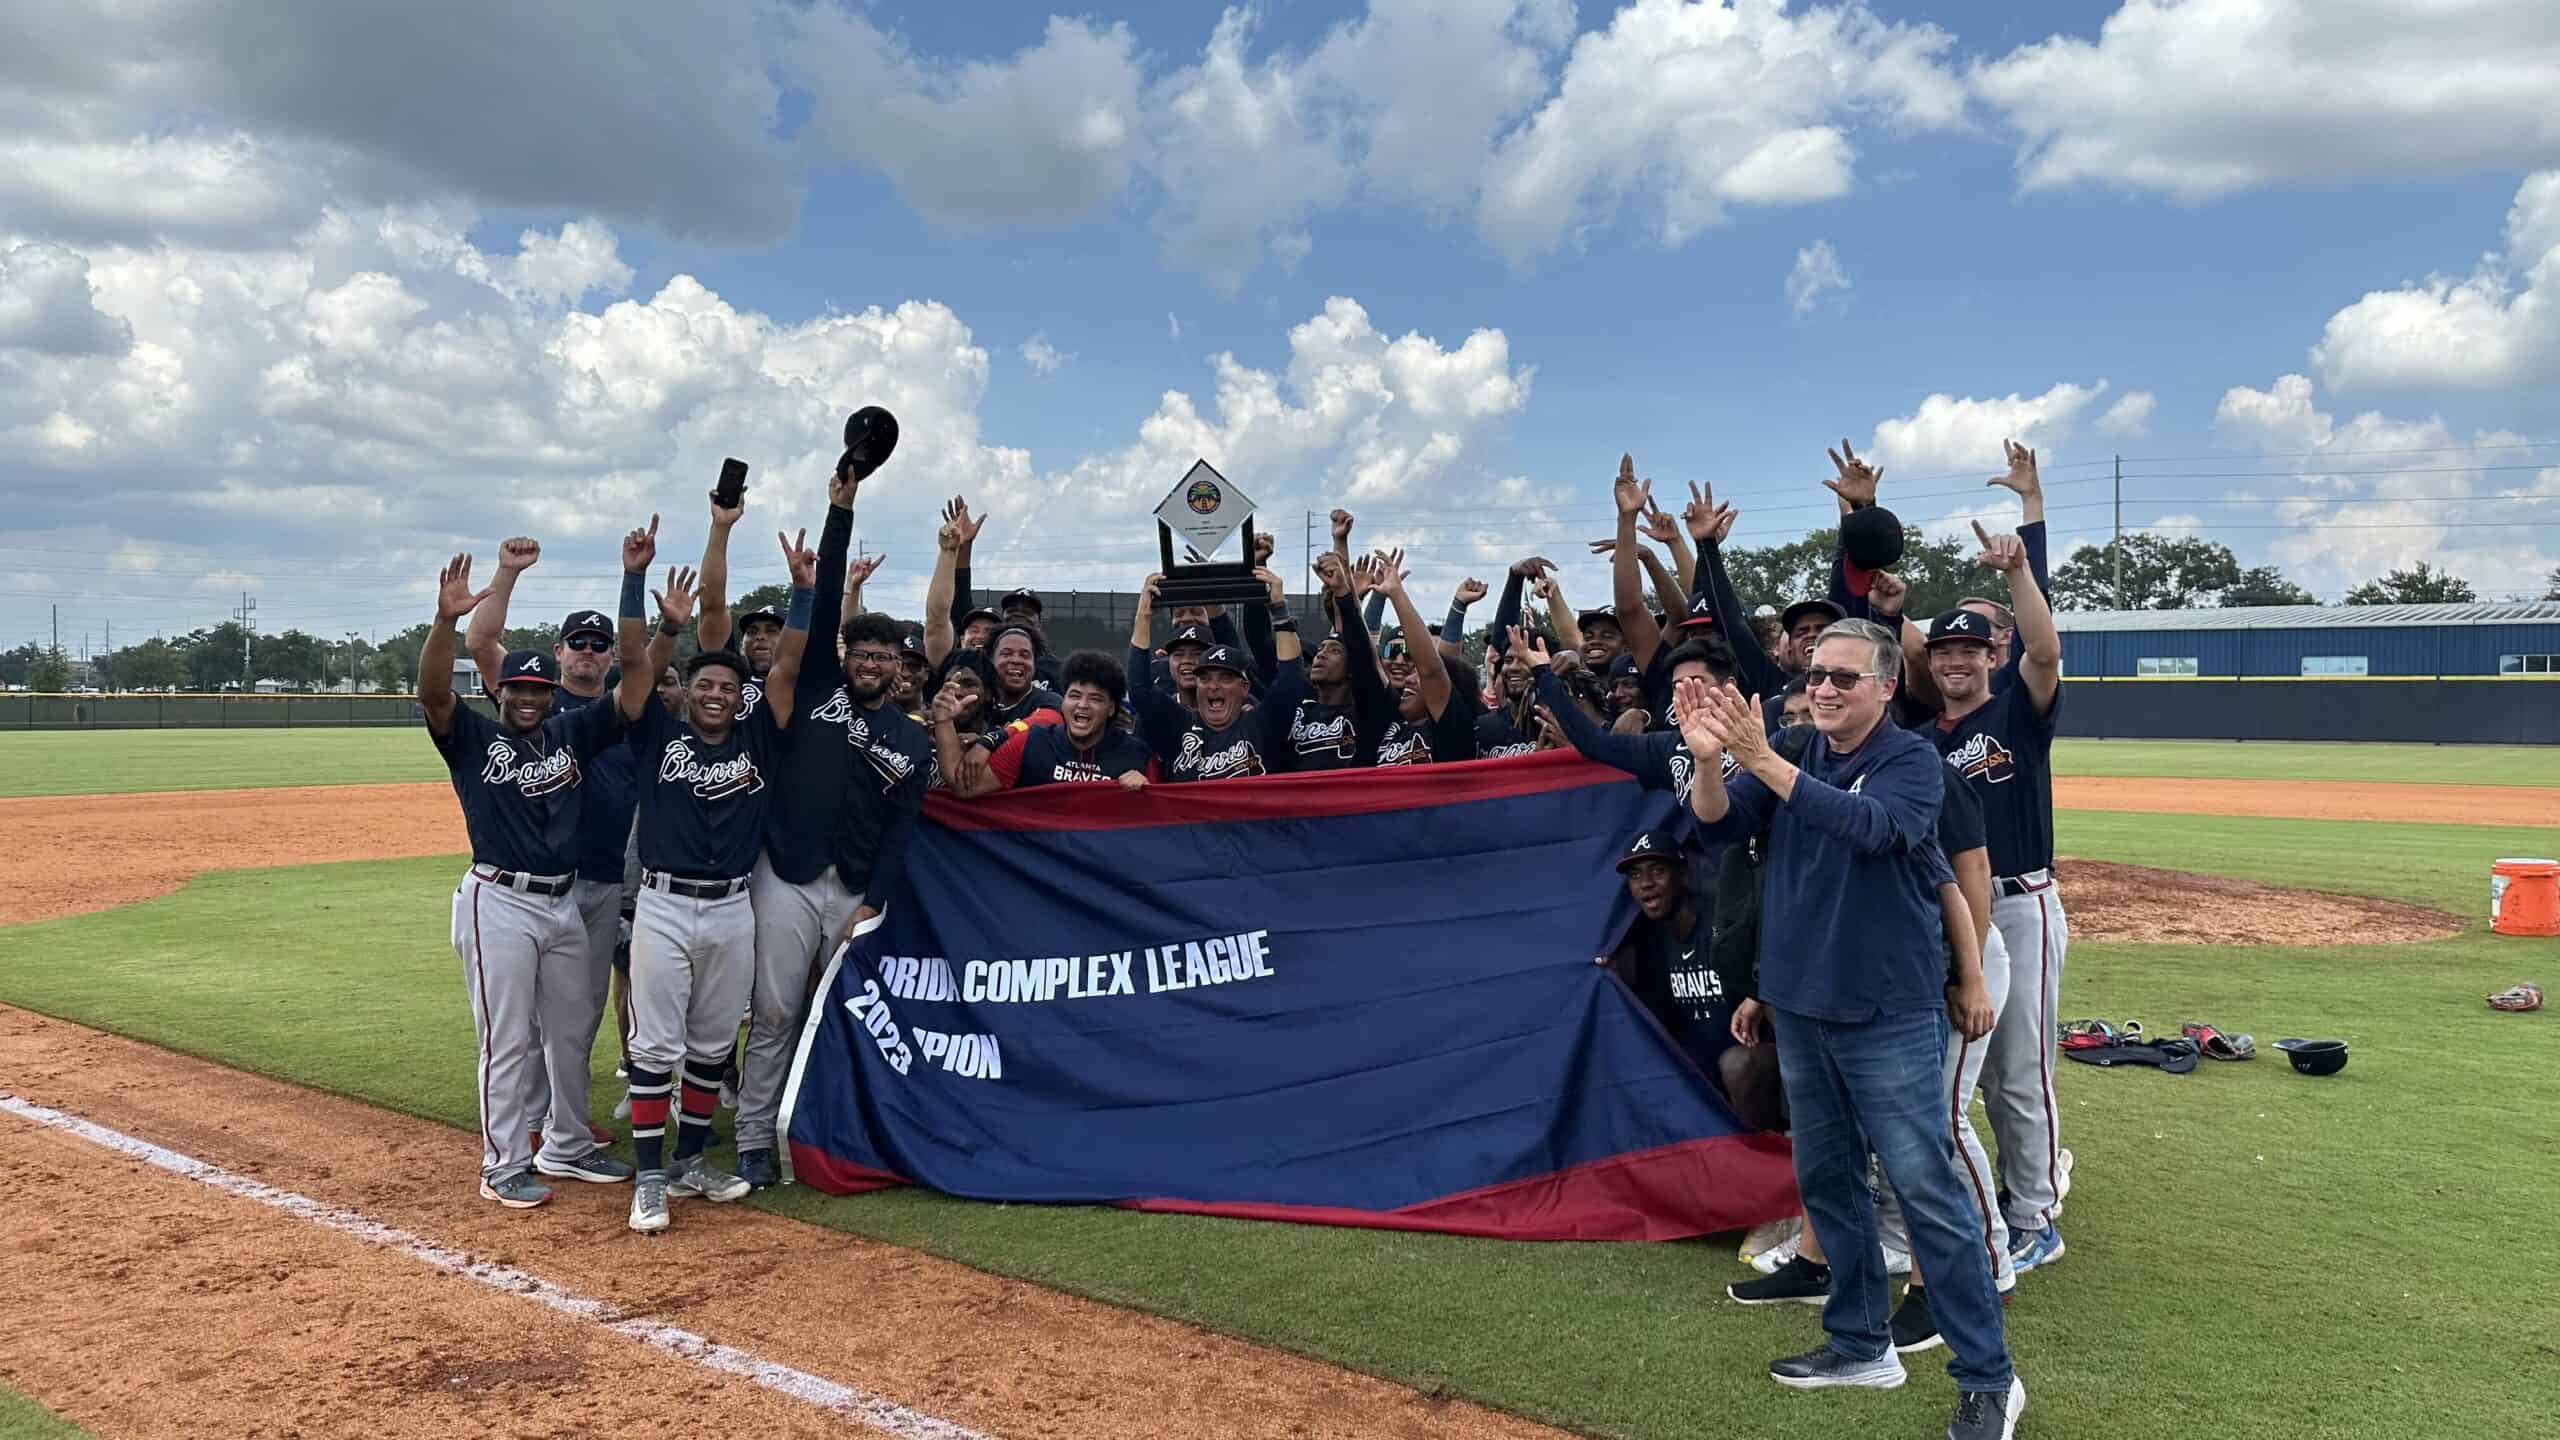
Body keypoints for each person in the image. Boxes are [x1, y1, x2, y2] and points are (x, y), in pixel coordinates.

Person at [1678, 619, 2022, 1438]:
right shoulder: (1796, 746)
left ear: (1885, 688)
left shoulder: (1911, 763)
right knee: (1830, 1181)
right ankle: (1860, 1343)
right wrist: (1706, 760)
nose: (1825, 687)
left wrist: (1759, 757)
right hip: (1802, 1005)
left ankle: (1988, 1378)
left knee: (1926, 1191)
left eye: (1844, 677)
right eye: (1818, 674)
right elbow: (1721, 826)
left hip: (1887, 1011)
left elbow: (1876, 831)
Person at [423, 535, 654, 1209]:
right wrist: (445, 622)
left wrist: (660, 621)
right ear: (501, 691)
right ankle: (501, 1164)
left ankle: (567, 1143)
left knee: (572, 1025)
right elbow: (434, 689)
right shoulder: (472, 739)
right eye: (517, 688)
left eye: (537, 691)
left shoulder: (573, 733)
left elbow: (634, 688)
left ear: (552, 692)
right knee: (508, 1035)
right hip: (498, 898)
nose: (528, 698)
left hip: (561, 903)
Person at [733, 466, 930, 1192]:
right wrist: (838, 510)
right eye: (865, 653)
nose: (876, 664)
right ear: (846, 657)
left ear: (903, 670)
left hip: (851, 892)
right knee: (777, 1010)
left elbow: (902, 833)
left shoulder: (909, 742)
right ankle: (754, 1138)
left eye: (888, 657)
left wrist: (875, 902)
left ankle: (835, 1130)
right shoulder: (817, 688)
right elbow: (817, 614)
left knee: (846, 1016)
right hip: (786, 873)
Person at [621, 528, 815, 1234]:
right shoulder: (658, 737)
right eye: (703, 683)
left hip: (734, 906)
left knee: (709, 1046)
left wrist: (802, 591)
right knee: (654, 1048)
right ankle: (648, 1178)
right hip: (666, 905)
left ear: (741, 698)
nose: (714, 693)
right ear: (688, 693)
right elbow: (637, 671)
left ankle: (691, 1159)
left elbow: (789, 667)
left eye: (727, 686)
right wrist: (649, 605)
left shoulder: (758, 737)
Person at [1927, 506, 2071, 1277]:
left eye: (1970, 649)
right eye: (1944, 649)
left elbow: (2045, 650)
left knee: (2021, 1068)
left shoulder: (2016, 711)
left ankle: (2035, 1215)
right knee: (1965, 1070)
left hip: (2021, 901)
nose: (1955, 660)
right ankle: (2020, 1188)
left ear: (1992, 655)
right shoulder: (1922, 737)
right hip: (1953, 910)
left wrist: (2019, 567)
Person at [462, 539, 634, 1154]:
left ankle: (565, 1116)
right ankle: (530, 1117)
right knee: (528, 1013)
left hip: (604, 876)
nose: (588, 653)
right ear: (559, 651)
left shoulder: (626, 707)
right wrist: (506, 574)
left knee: (578, 1009)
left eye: (599, 645)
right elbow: (481, 645)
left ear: (611, 655)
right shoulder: (533, 696)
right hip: (534, 877)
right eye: (577, 643)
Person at [1606, 829, 1779, 1130]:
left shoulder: (1721, 920)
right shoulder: (1646, 938)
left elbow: (1776, 956)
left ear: (1683, 876)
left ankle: (1765, 1153)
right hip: (1699, 1065)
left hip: (1759, 1057)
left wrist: (1757, 997)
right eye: (1635, 875)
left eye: (1657, 871)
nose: (1646, 884)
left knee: (1737, 1064)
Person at [1128, 568, 1306, 782]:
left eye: (1225, 678)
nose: (1213, 686)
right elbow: (1139, 689)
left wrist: (1280, 611)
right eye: (1204, 678)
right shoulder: (1179, 724)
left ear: (1245, 687)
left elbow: (1291, 681)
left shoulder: (1261, 724)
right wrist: (1143, 617)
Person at [939, 650, 1154, 793]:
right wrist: (944, 721)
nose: (1082, 705)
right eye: (1075, 695)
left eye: (1096, 698)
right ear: (1063, 701)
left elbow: (1164, 819)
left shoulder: (1136, 754)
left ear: (1111, 709)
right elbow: (963, 787)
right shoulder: (1032, 743)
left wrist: (1146, 789)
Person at [1367, 553, 1479, 765]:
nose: (1408, 678)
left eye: (1417, 675)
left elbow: (1433, 668)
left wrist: (1397, 593)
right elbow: (1365, 659)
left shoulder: (1453, 731)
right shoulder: (1389, 724)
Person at [1286, 553, 1393, 768]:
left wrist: (1346, 592)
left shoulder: (1366, 712)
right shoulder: (1297, 708)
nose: (1321, 654)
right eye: (1320, 649)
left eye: (1334, 651)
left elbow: (1360, 647)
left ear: (1352, 669)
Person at [985, 623, 1064, 726]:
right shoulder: (981, 702)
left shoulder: (1050, 702)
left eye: (1025, 655)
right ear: (992, 660)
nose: (1016, 660)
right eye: (1006, 654)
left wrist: (990, 739)